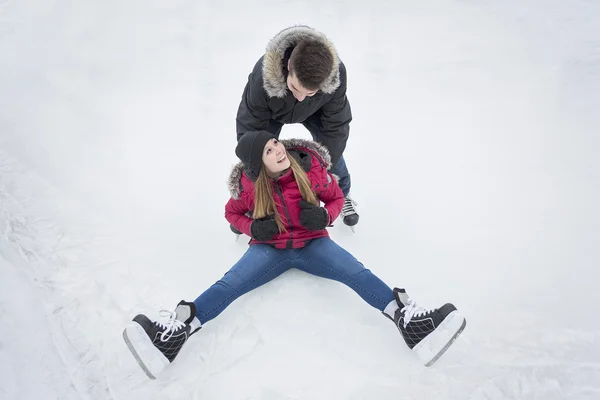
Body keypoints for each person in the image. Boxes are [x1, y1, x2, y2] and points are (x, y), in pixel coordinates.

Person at [123, 131, 466, 380]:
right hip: (269, 251)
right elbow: (231, 214)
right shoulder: (248, 186)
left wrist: (326, 216)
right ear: (258, 165)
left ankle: (408, 320)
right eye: (269, 150)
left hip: (312, 244)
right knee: (230, 283)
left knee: (356, 272)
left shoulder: (310, 169)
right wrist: (253, 230)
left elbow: (335, 197)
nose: (278, 150)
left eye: (276, 144)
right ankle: (175, 332)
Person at [236, 25, 359, 227]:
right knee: (260, 153)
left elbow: (336, 125)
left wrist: (323, 167)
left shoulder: (335, 76)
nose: (300, 97)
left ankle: (342, 193)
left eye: (309, 92)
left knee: (329, 152)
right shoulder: (263, 77)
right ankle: (256, 201)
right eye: (295, 87)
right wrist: (253, 174)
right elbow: (250, 129)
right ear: (289, 65)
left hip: (317, 110)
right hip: (273, 110)